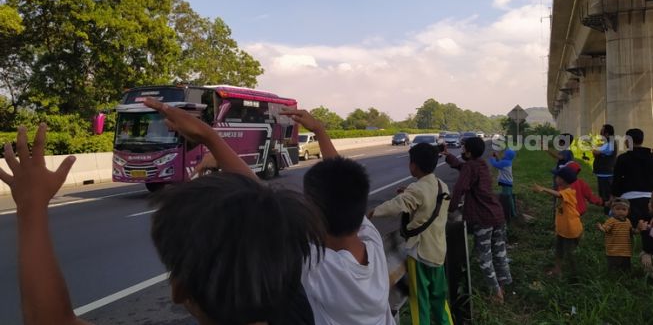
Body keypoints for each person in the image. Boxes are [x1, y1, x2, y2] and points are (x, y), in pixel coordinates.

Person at [2, 99, 326, 325]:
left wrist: (31, 207)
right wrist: (211, 137)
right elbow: (263, 212)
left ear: (178, 290)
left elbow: (52, 320)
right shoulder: (293, 308)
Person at [281, 108, 395, 325]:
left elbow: (259, 203)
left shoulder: (318, 267)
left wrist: (210, 137)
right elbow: (342, 183)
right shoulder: (373, 244)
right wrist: (319, 130)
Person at [369, 143, 453, 325]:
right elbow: (425, 200)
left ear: (414, 165)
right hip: (438, 253)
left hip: (420, 254)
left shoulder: (417, 189)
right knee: (439, 300)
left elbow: (397, 205)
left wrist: (372, 213)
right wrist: (408, 192)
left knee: (419, 301)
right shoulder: (442, 185)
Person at [444, 137, 512, 303]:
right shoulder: (481, 164)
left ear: (469, 152)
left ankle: (496, 294)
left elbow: (460, 188)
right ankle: (503, 286)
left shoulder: (470, 167)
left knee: (484, 257)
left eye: (463, 149)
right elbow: (463, 167)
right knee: (499, 252)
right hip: (497, 214)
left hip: (483, 218)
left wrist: (450, 209)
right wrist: (448, 156)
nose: (461, 151)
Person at [611, 128, 653, 263]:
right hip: (650, 201)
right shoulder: (651, 157)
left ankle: (623, 261)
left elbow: (616, 180)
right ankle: (648, 260)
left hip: (629, 202)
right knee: (647, 232)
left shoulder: (623, 158)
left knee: (625, 231)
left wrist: (613, 197)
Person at [533, 166, 582, 277]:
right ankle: (557, 270)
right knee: (559, 251)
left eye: (557, 176)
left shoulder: (569, 192)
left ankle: (575, 275)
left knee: (570, 254)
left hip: (571, 231)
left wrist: (543, 189)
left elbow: (558, 195)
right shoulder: (563, 190)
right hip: (562, 230)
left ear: (562, 180)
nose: (555, 178)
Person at [597, 198, 633, 272]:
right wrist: (601, 228)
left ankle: (626, 280)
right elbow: (605, 229)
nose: (620, 211)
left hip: (626, 251)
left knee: (626, 269)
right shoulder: (611, 221)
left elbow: (631, 231)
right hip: (614, 251)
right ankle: (613, 279)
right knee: (614, 269)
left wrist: (638, 229)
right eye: (617, 209)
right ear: (612, 210)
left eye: (624, 209)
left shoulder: (628, 221)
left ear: (628, 211)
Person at [593, 124, 617, 215]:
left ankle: (609, 213)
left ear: (607, 134)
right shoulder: (607, 143)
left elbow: (596, 152)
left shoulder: (610, 144)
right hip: (603, 173)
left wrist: (597, 150)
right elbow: (595, 153)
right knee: (603, 194)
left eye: (602, 131)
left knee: (607, 195)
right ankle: (608, 212)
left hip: (606, 174)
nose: (600, 133)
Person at [489, 148, 517, 222]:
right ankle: (513, 212)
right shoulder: (507, 161)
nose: (503, 154)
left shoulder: (505, 163)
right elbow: (500, 162)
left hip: (506, 183)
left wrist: (492, 157)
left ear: (507, 155)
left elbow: (495, 164)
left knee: (507, 198)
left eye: (505, 153)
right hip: (508, 182)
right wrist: (497, 157)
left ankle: (510, 214)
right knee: (509, 197)